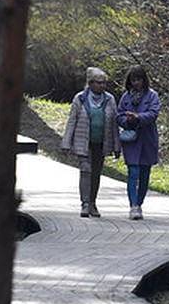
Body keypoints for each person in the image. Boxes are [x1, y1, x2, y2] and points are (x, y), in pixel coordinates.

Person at [62, 67, 118, 217]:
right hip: (83, 141)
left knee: (96, 174)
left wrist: (116, 146)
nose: (102, 86)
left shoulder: (110, 99)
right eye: (99, 83)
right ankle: (85, 204)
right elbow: (72, 121)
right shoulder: (80, 98)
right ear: (90, 83)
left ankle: (93, 203)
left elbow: (114, 124)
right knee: (86, 170)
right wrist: (66, 143)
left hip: (101, 143)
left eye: (104, 83)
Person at [117, 64, 161, 220]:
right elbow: (119, 116)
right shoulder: (126, 97)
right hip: (131, 141)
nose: (136, 83)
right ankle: (133, 205)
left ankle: (139, 204)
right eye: (133, 80)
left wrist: (138, 117)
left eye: (139, 80)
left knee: (144, 175)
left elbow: (153, 113)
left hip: (147, 140)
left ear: (144, 80)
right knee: (132, 173)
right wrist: (127, 121)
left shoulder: (152, 96)